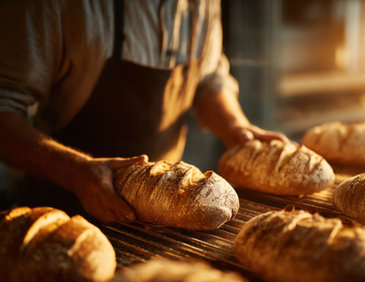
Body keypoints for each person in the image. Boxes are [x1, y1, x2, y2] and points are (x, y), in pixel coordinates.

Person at [0, 0, 288, 223]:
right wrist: (75, 172)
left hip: (166, 208)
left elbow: (208, 77)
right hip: (62, 207)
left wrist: (234, 125)